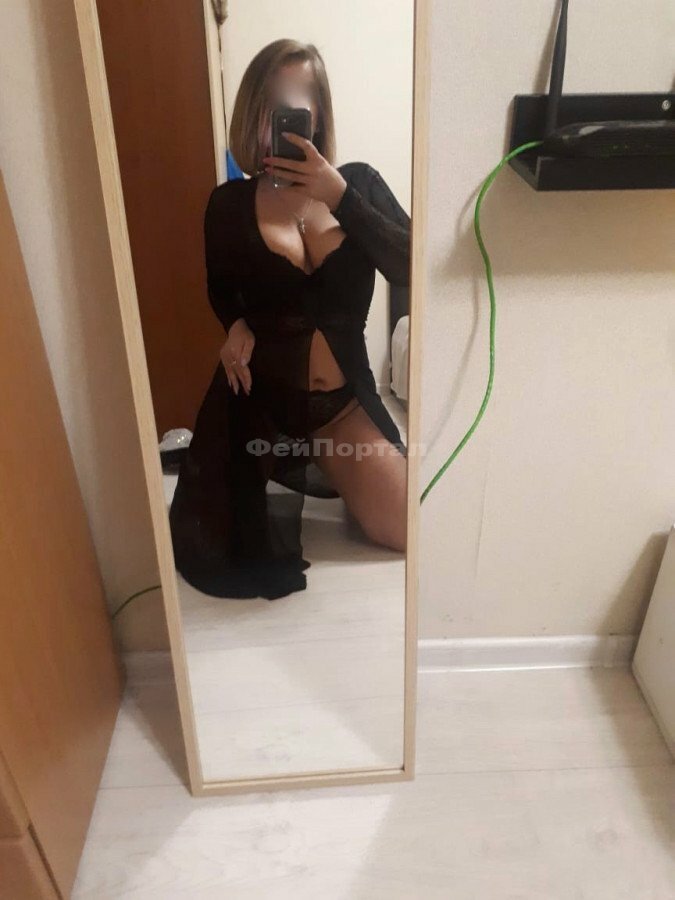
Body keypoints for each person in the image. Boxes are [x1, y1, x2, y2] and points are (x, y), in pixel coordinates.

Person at [169, 38, 411, 600]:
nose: (281, 114)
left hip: (338, 407)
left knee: (404, 528)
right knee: (212, 546)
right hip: (257, 403)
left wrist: (340, 196)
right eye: (270, 102)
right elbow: (221, 289)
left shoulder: (359, 184)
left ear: (317, 112)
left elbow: (409, 266)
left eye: (297, 100)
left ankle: (331, 467)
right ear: (253, 111)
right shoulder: (227, 205)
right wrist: (235, 325)